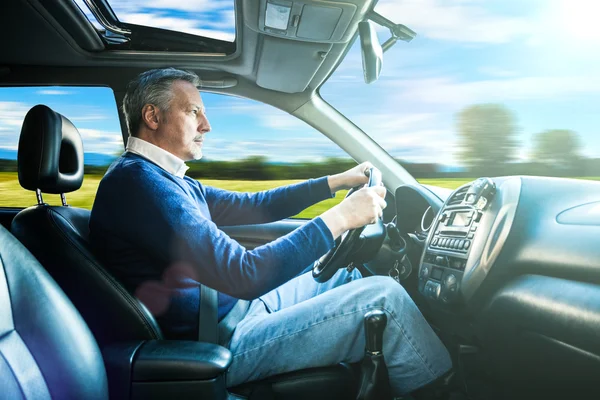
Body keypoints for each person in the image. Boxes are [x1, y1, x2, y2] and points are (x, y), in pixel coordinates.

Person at [89, 68, 452, 396]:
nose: (206, 125)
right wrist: (340, 218)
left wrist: (334, 182)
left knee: (344, 273)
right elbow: (242, 273)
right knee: (383, 298)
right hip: (217, 343)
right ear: (153, 116)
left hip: (233, 312)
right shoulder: (140, 184)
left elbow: (252, 207)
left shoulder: (161, 178)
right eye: (194, 112)